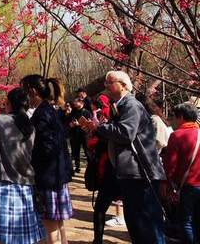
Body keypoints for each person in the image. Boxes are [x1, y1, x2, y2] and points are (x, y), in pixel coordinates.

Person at [82, 70, 166, 244]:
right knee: (136, 224)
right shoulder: (119, 105)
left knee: (146, 224)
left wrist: (99, 127)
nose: (106, 86)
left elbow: (126, 133)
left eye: (110, 82)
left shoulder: (131, 105)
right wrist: (95, 129)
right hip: (129, 172)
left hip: (140, 172)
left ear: (123, 85)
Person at [0, 87, 45, 244]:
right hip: (26, 184)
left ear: (8, 103)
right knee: (23, 237)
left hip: (2, 182)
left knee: (1, 237)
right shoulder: (30, 126)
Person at [25, 75, 73, 244]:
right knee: (58, 222)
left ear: (32, 91)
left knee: (49, 223)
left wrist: (30, 156)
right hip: (56, 174)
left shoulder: (42, 114)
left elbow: (47, 148)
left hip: (47, 176)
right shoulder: (50, 110)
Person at [86, 94, 124, 244]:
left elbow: (97, 142)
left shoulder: (107, 119)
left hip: (109, 168)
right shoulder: (118, 119)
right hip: (120, 168)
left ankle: (98, 240)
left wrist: (95, 131)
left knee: (100, 208)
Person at [163, 102, 200, 244]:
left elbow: (170, 165)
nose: (173, 121)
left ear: (181, 117)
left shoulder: (177, 136)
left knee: (186, 221)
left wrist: (168, 183)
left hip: (187, 186)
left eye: (174, 117)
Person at [67, 98, 92, 173]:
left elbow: (89, 124)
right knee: (76, 152)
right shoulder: (73, 112)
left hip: (84, 135)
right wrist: (71, 124)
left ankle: (90, 167)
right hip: (75, 134)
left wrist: (79, 124)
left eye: (76, 101)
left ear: (82, 103)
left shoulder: (87, 112)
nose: (74, 103)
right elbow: (69, 121)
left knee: (87, 152)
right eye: (74, 101)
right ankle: (77, 167)